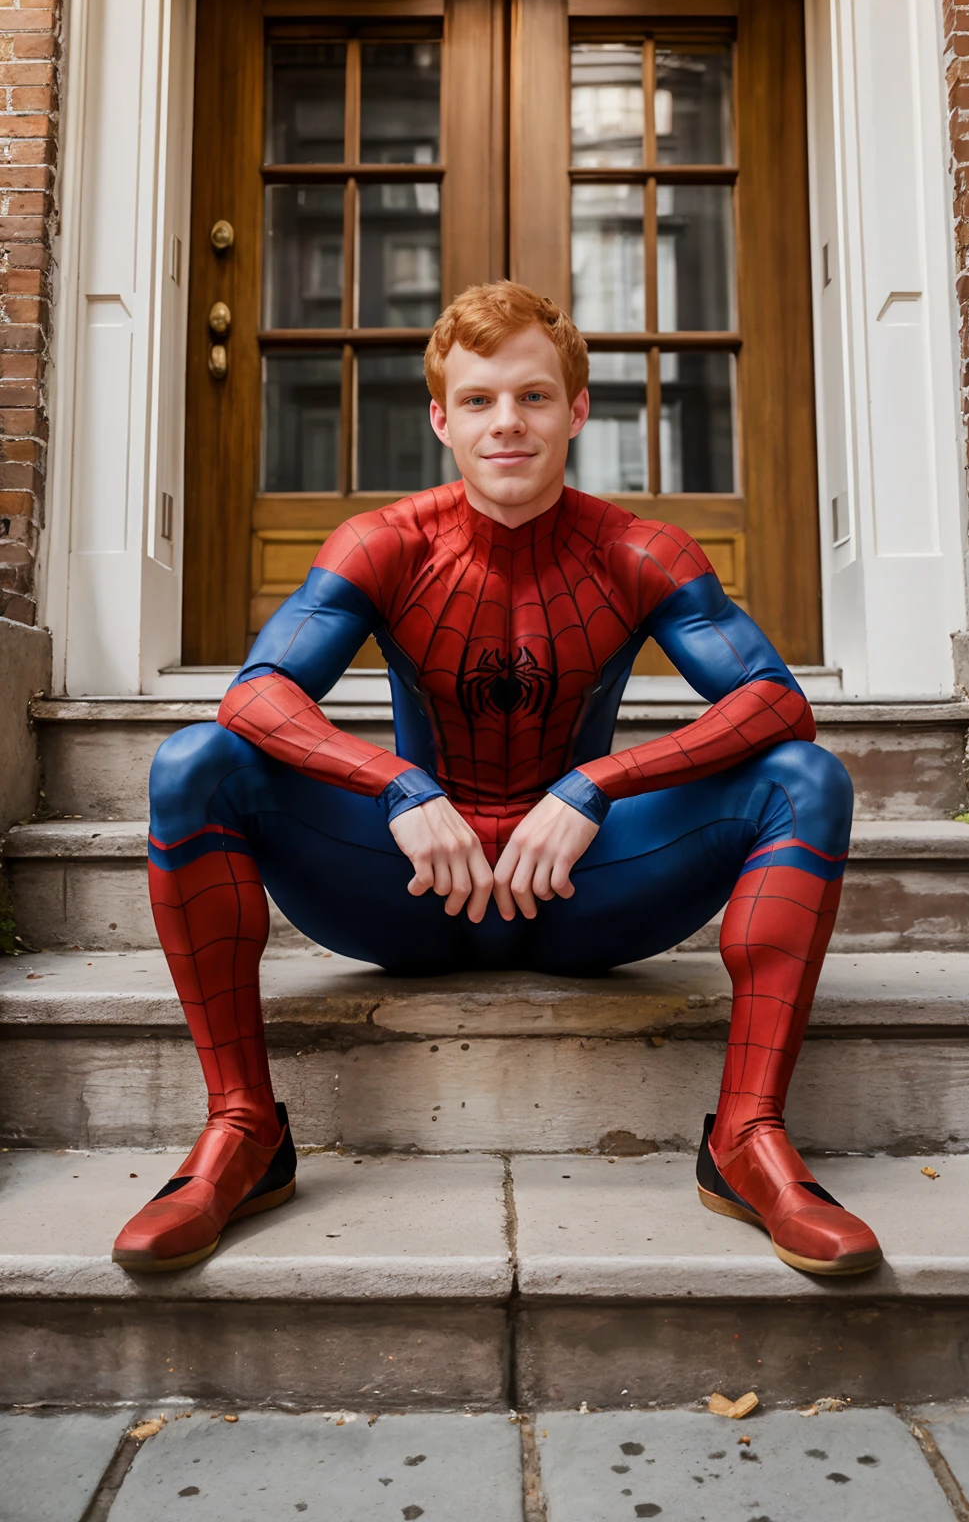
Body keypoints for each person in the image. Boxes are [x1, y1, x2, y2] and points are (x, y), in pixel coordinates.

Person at [113, 281, 881, 1278]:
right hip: (405, 895)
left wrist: (595, 785)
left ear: (576, 410)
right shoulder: (385, 543)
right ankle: (242, 1128)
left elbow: (777, 703)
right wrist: (397, 787)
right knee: (191, 765)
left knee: (805, 780)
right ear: (440, 417)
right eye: (478, 401)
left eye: (532, 397)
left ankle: (747, 1140)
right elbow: (256, 697)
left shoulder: (640, 552)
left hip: (579, 896)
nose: (506, 423)